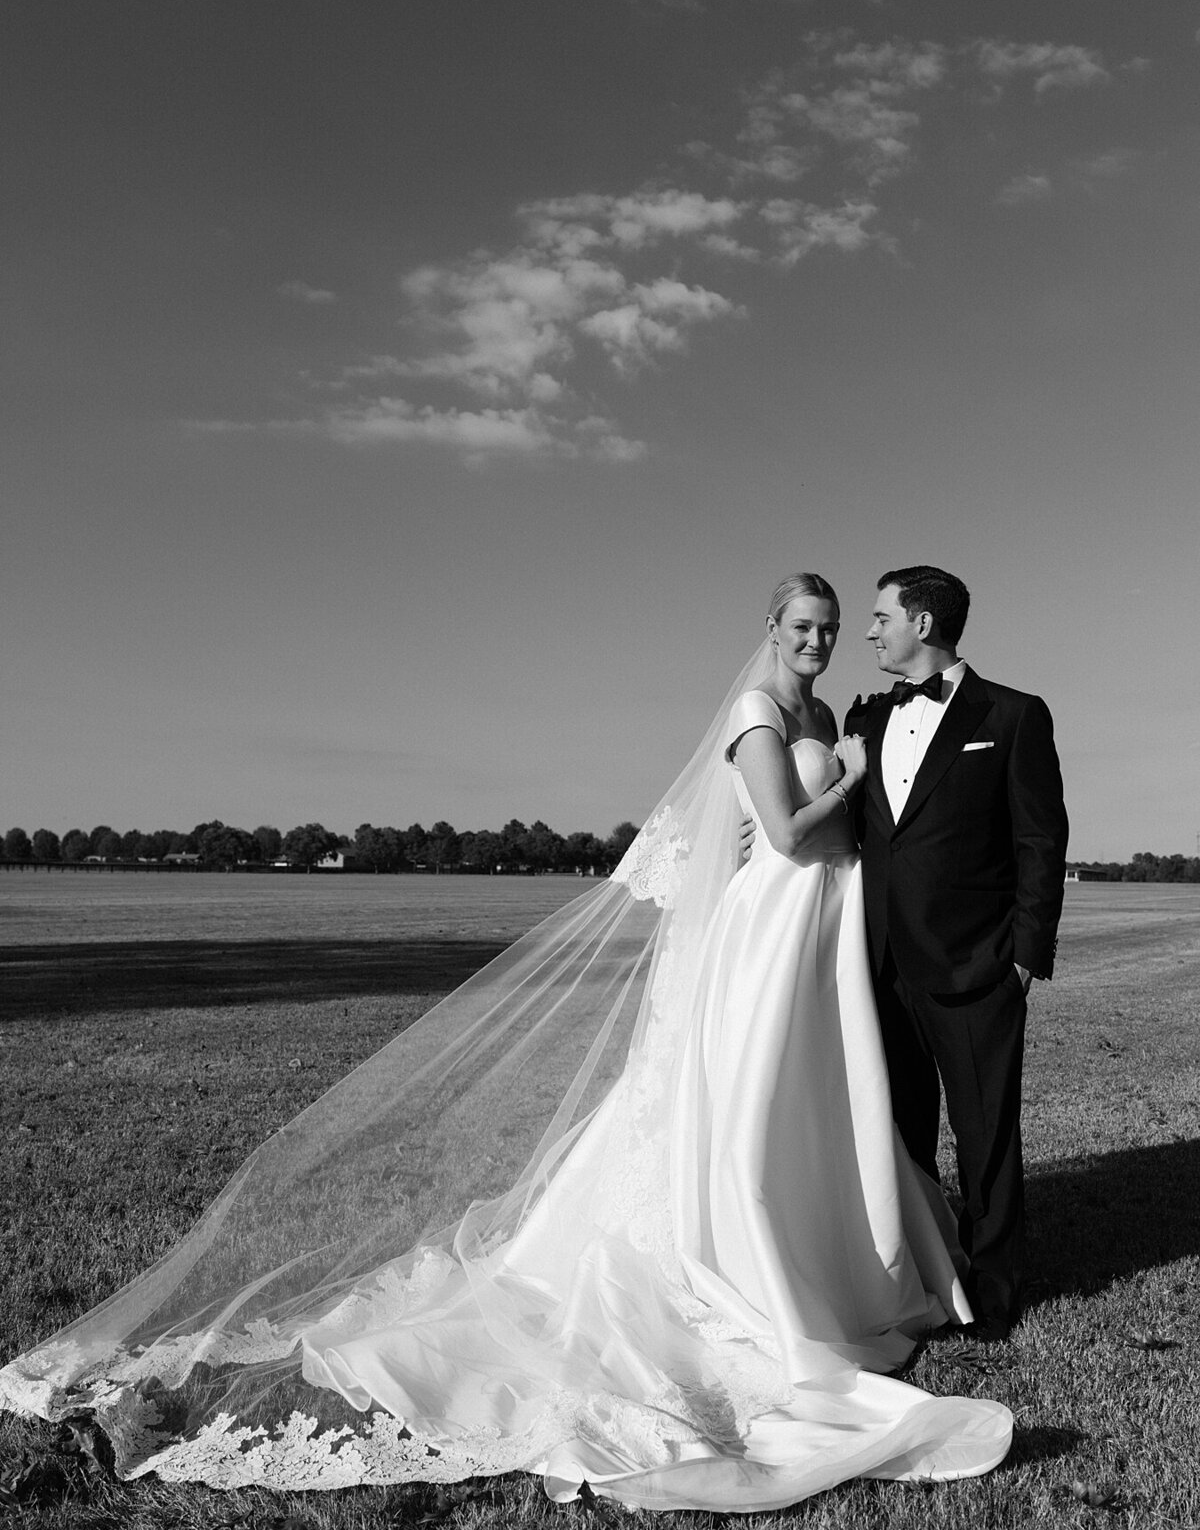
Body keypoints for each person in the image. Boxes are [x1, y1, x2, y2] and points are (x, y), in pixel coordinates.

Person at [0, 574, 1010, 1513]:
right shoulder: (762, 715)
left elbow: (781, 830)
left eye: (831, 628)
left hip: (814, 931)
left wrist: (831, 781)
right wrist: (852, 778)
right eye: (804, 627)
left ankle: (822, 1253)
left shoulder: (827, 713)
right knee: (745, 1109)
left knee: (811, 1102)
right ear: (770, 633)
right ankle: (741, 1264)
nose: (823, 640)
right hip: (772, 928)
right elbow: (789, 835)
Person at [845, 566, 1069, 1342]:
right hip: (880, 966)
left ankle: (995, 1294)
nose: (869, 631)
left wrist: (1024, 957)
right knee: (900, 1136)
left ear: (925, 623)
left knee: (985, 1137)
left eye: (882, 617)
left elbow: (1041, 841)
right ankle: (921, 1277)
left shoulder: (1012, 716)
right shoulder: (866, 716)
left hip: (977, 964)